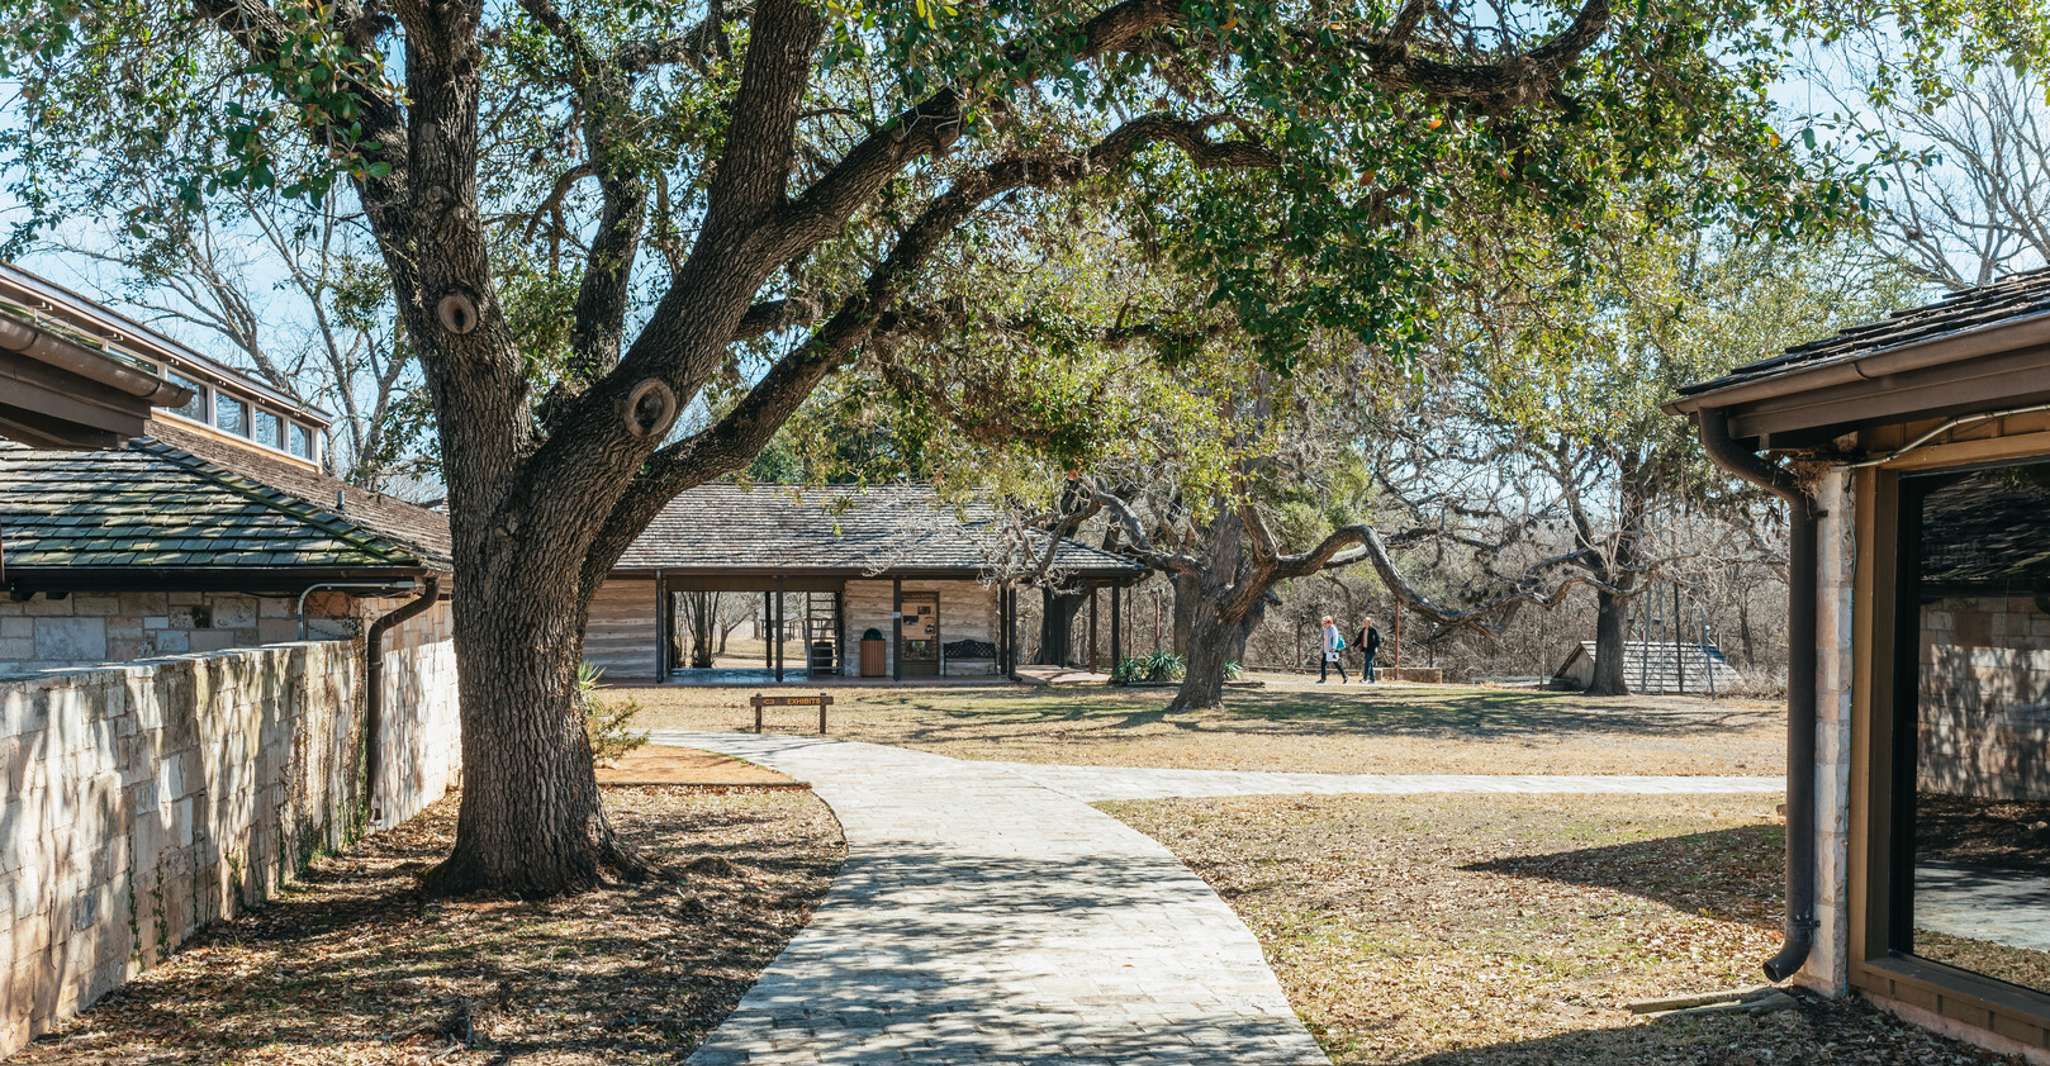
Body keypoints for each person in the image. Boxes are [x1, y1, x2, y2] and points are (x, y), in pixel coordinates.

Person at [1318, 615, 1350, 683]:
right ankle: (1323, 679)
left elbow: (1335, 639)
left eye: (1325, 623)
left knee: (1337, 664)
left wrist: (1333, 648)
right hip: (1326, 649)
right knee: (1323, 664)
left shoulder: (1333, 628)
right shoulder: (1325, 629)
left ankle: (1345, 677)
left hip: (1332, 649)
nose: (1323, 624)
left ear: (1329, 622)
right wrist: (1324, 648)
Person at [1355, 614, 1383, 683]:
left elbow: (1378, 640)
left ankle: (1365, 679)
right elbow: (1359, 639)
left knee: (1367, 663)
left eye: (1366, 622)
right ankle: (1373, 679)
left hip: (1372, 649)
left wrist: (1376, 646)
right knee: (1369, 663)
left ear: (1369, 623)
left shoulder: (1373, 630)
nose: (1364, 623)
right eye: (1364, 622)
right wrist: (1354, 645)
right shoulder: (1363, 630)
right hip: (1366, 649)